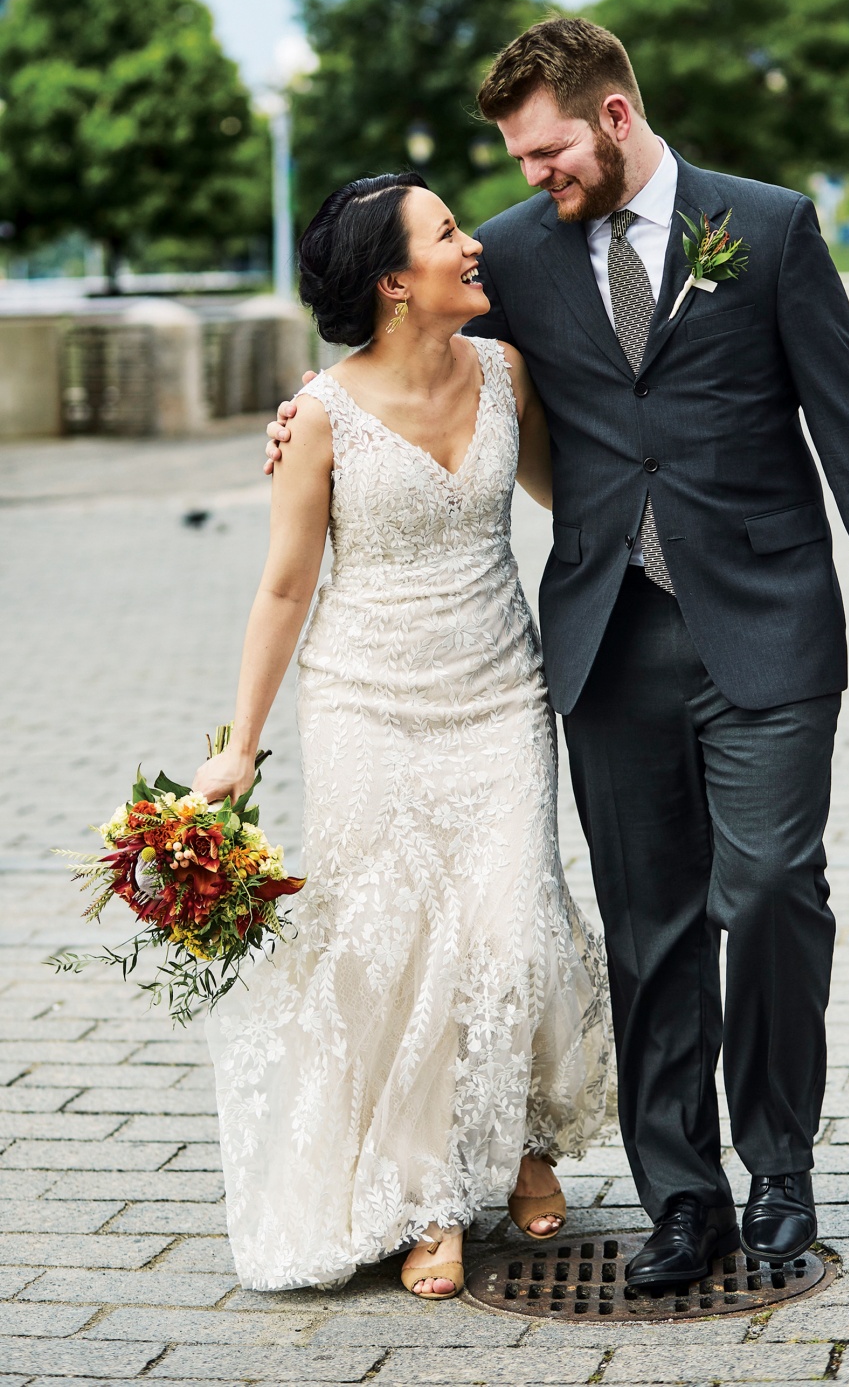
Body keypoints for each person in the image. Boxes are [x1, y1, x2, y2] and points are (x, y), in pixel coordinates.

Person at [268, 19, 849, 1289]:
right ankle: (681, 1193)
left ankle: (780, 1169)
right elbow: (409, 337)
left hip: (770, 616)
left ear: (615, 116)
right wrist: (309, 406)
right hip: (606, 635)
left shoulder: (770, 227)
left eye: (548, 149)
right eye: (517, 157)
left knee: (774, 888)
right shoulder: (516, 253)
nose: (530, 177)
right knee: (649, 924)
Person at [196, 171, 609, 1296]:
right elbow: (282, 589)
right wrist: (239, 745)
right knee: (388, 950)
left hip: (497, 694)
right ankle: (428, 1194)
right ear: (393, 279)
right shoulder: (320, 414)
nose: (473, 244)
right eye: (446, 234)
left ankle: (525, 1137)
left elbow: (574, 496)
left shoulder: (505, 370)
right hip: (365, 703)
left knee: (512, 923)